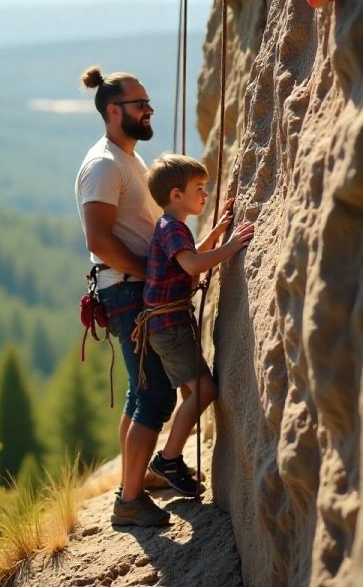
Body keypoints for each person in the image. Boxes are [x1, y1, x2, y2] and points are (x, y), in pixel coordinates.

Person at [75, 66, 179, 527]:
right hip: (130, 291)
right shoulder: (103, 165)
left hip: (132, 288)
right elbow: (100, 240)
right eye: (140, 104)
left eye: (147, 101)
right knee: (156, 396)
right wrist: (152, 274)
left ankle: (136, 480)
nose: (149, 109)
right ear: (113, 111)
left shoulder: (127, 158)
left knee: (141, 395)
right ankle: (130, 501)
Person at [138, 153, 254, 495]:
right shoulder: (173, 228)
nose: (205, 194)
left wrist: (217, 233)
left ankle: (170, 461)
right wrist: (231, 246)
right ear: (177, 195)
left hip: (167, 324)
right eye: (199, 188)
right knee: (203, 390)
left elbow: (187, 259)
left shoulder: (172, 227)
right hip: (170, 326)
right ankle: (168, 460)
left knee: (194, 392)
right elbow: (191, 266)